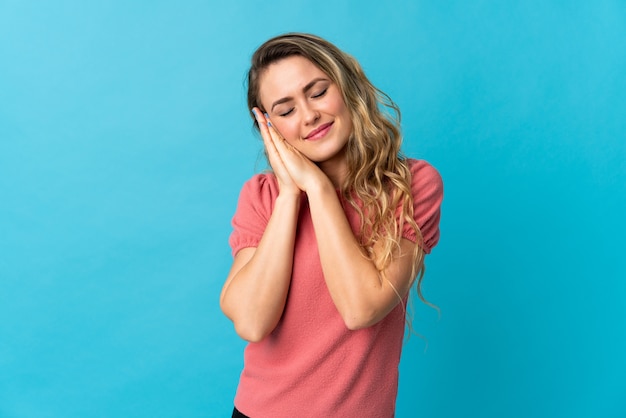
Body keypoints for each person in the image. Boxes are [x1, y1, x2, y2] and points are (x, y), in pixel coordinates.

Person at [220, 33, 443, 418]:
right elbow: (253, 322)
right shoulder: (263, 195)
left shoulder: (412, 186)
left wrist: (320, 191)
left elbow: (361, 309)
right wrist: (290, 195)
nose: (308, 116)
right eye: (286, 111)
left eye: (318, 92)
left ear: (347, 87)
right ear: (270, 129)